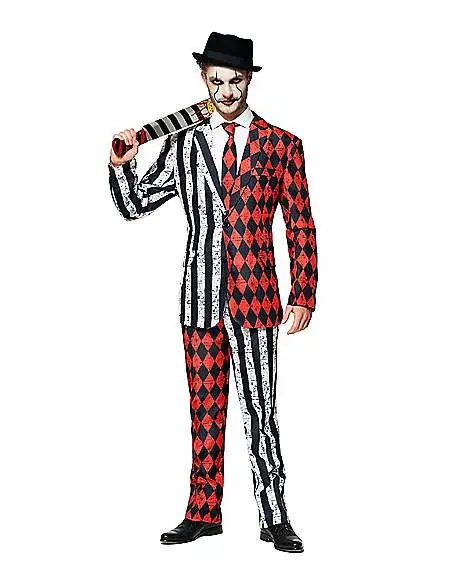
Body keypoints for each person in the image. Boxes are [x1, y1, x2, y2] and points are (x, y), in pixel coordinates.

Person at [107, 31, 318, 553]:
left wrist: (303, 293)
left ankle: (275, 517)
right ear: (204, 79)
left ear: (249, 81)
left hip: (257, 299)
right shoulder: (184, 142)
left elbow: (300, 224)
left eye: (236, 81)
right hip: (199, 298)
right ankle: (203, 512)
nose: (226, 91)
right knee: (204, 409)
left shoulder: (282, 145)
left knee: (260, 412)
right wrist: (123, 163)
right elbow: (135, 205)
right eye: (217, 81)